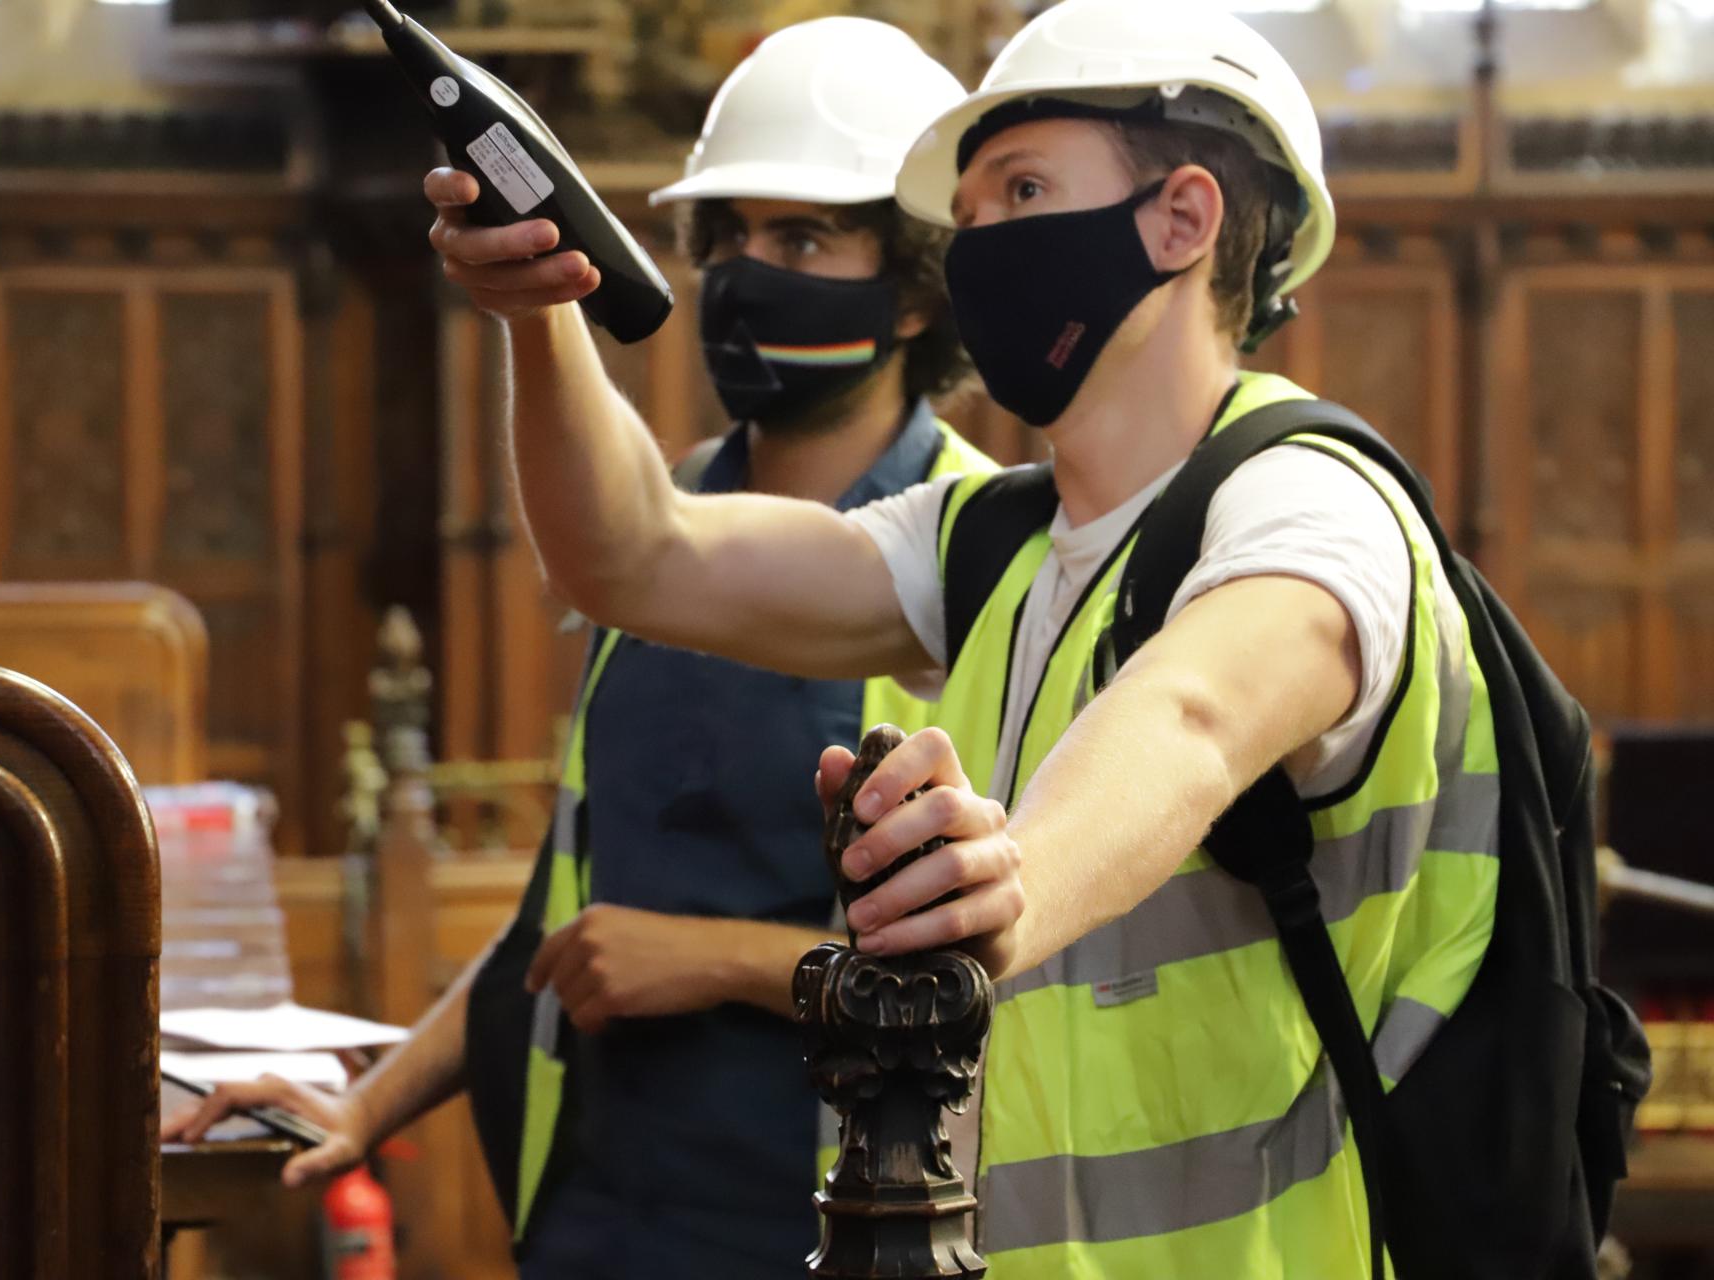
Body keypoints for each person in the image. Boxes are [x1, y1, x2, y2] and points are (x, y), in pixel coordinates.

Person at [416, 2, 1502, 1276]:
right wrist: (538, 308)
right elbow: (633, 554)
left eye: (1022, 190)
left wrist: (1010, 877)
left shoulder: (1311, 499)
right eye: (968, 214)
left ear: (1183, 220)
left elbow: (1198, 716)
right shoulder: (993, 540)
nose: (978, 244)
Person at [165, 18, 995, 1279]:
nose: (745, 273)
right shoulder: (651, 532)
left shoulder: (980, 550)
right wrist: (366, 1100)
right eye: (728, 240)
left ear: (919, 285)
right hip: (599, 1216)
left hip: (845, 1220)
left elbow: (1007, 954)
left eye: (803, 239)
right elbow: (557, 917)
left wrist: (711, 958)